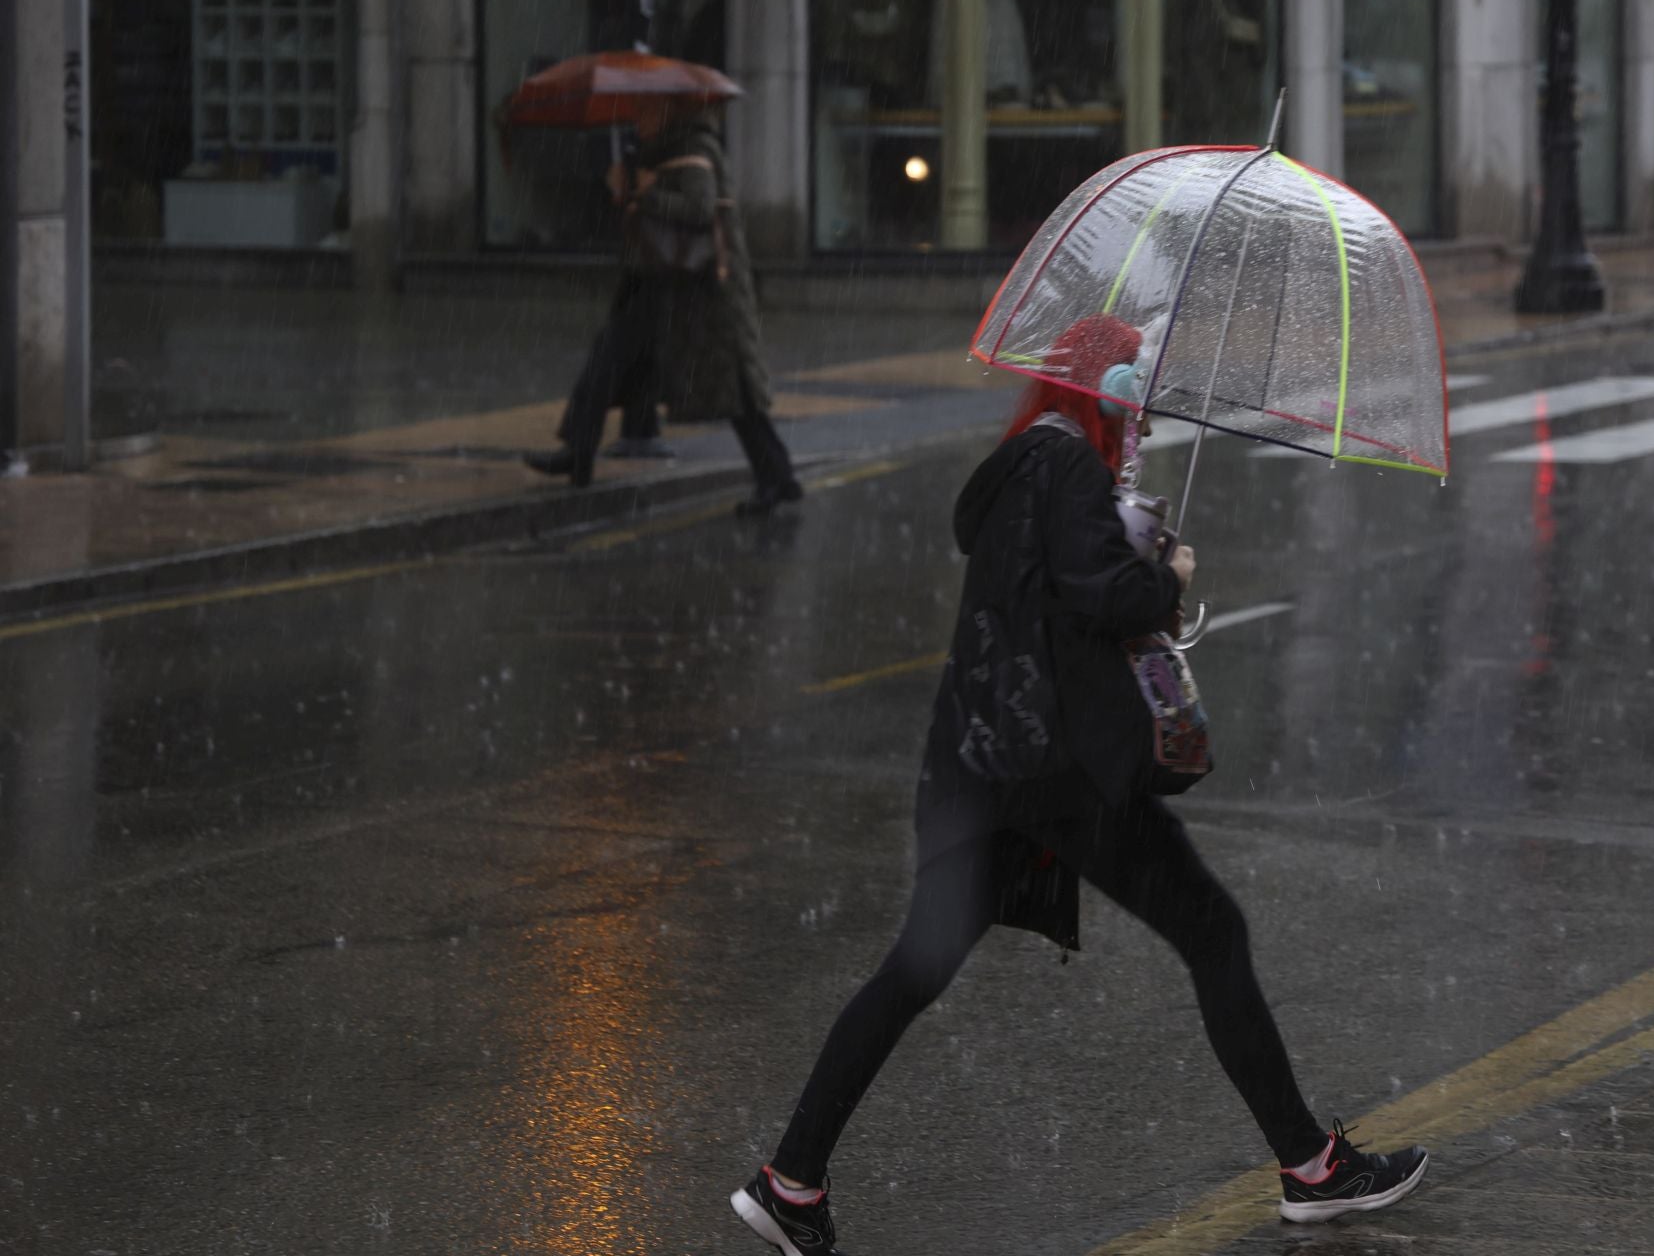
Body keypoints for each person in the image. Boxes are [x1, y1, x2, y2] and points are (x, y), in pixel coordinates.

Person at [730, 314, 1429, 1255]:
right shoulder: (1067, 469)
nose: (1140, 415)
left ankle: (791, 1181)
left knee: (915, 969)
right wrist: (1168, 573)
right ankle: (1312, 1167)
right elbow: (1109, 598)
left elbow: (1053, 596)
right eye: (1132, 393)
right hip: (1058, 769)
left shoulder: (1029, 461)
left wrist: (1124, 537)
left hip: (981, 767)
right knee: (1213, 932)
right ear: (1098, 391)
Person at [525, 105, 803, 516]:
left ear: (667, 115)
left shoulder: (693, 148)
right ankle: (577, 450)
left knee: (734, 391)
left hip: (701, 292)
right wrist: (627, 190)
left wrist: (649, 192)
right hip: (659, 284)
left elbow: (700, 208)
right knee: (606, 360)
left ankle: (776, 476)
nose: (638, 121)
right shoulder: (658, 151)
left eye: (646, 114)